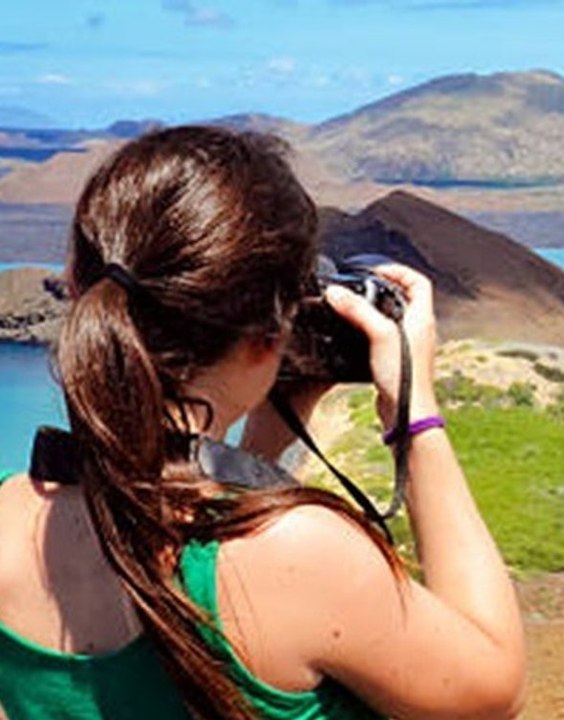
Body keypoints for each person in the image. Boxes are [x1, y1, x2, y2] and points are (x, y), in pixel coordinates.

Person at [0, 126, 526, 720]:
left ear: (77, 287)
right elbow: (493, 691)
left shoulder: (10, 517)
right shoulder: (303, 552)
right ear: (271, 335)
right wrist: (415, 415)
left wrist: (267, 438)